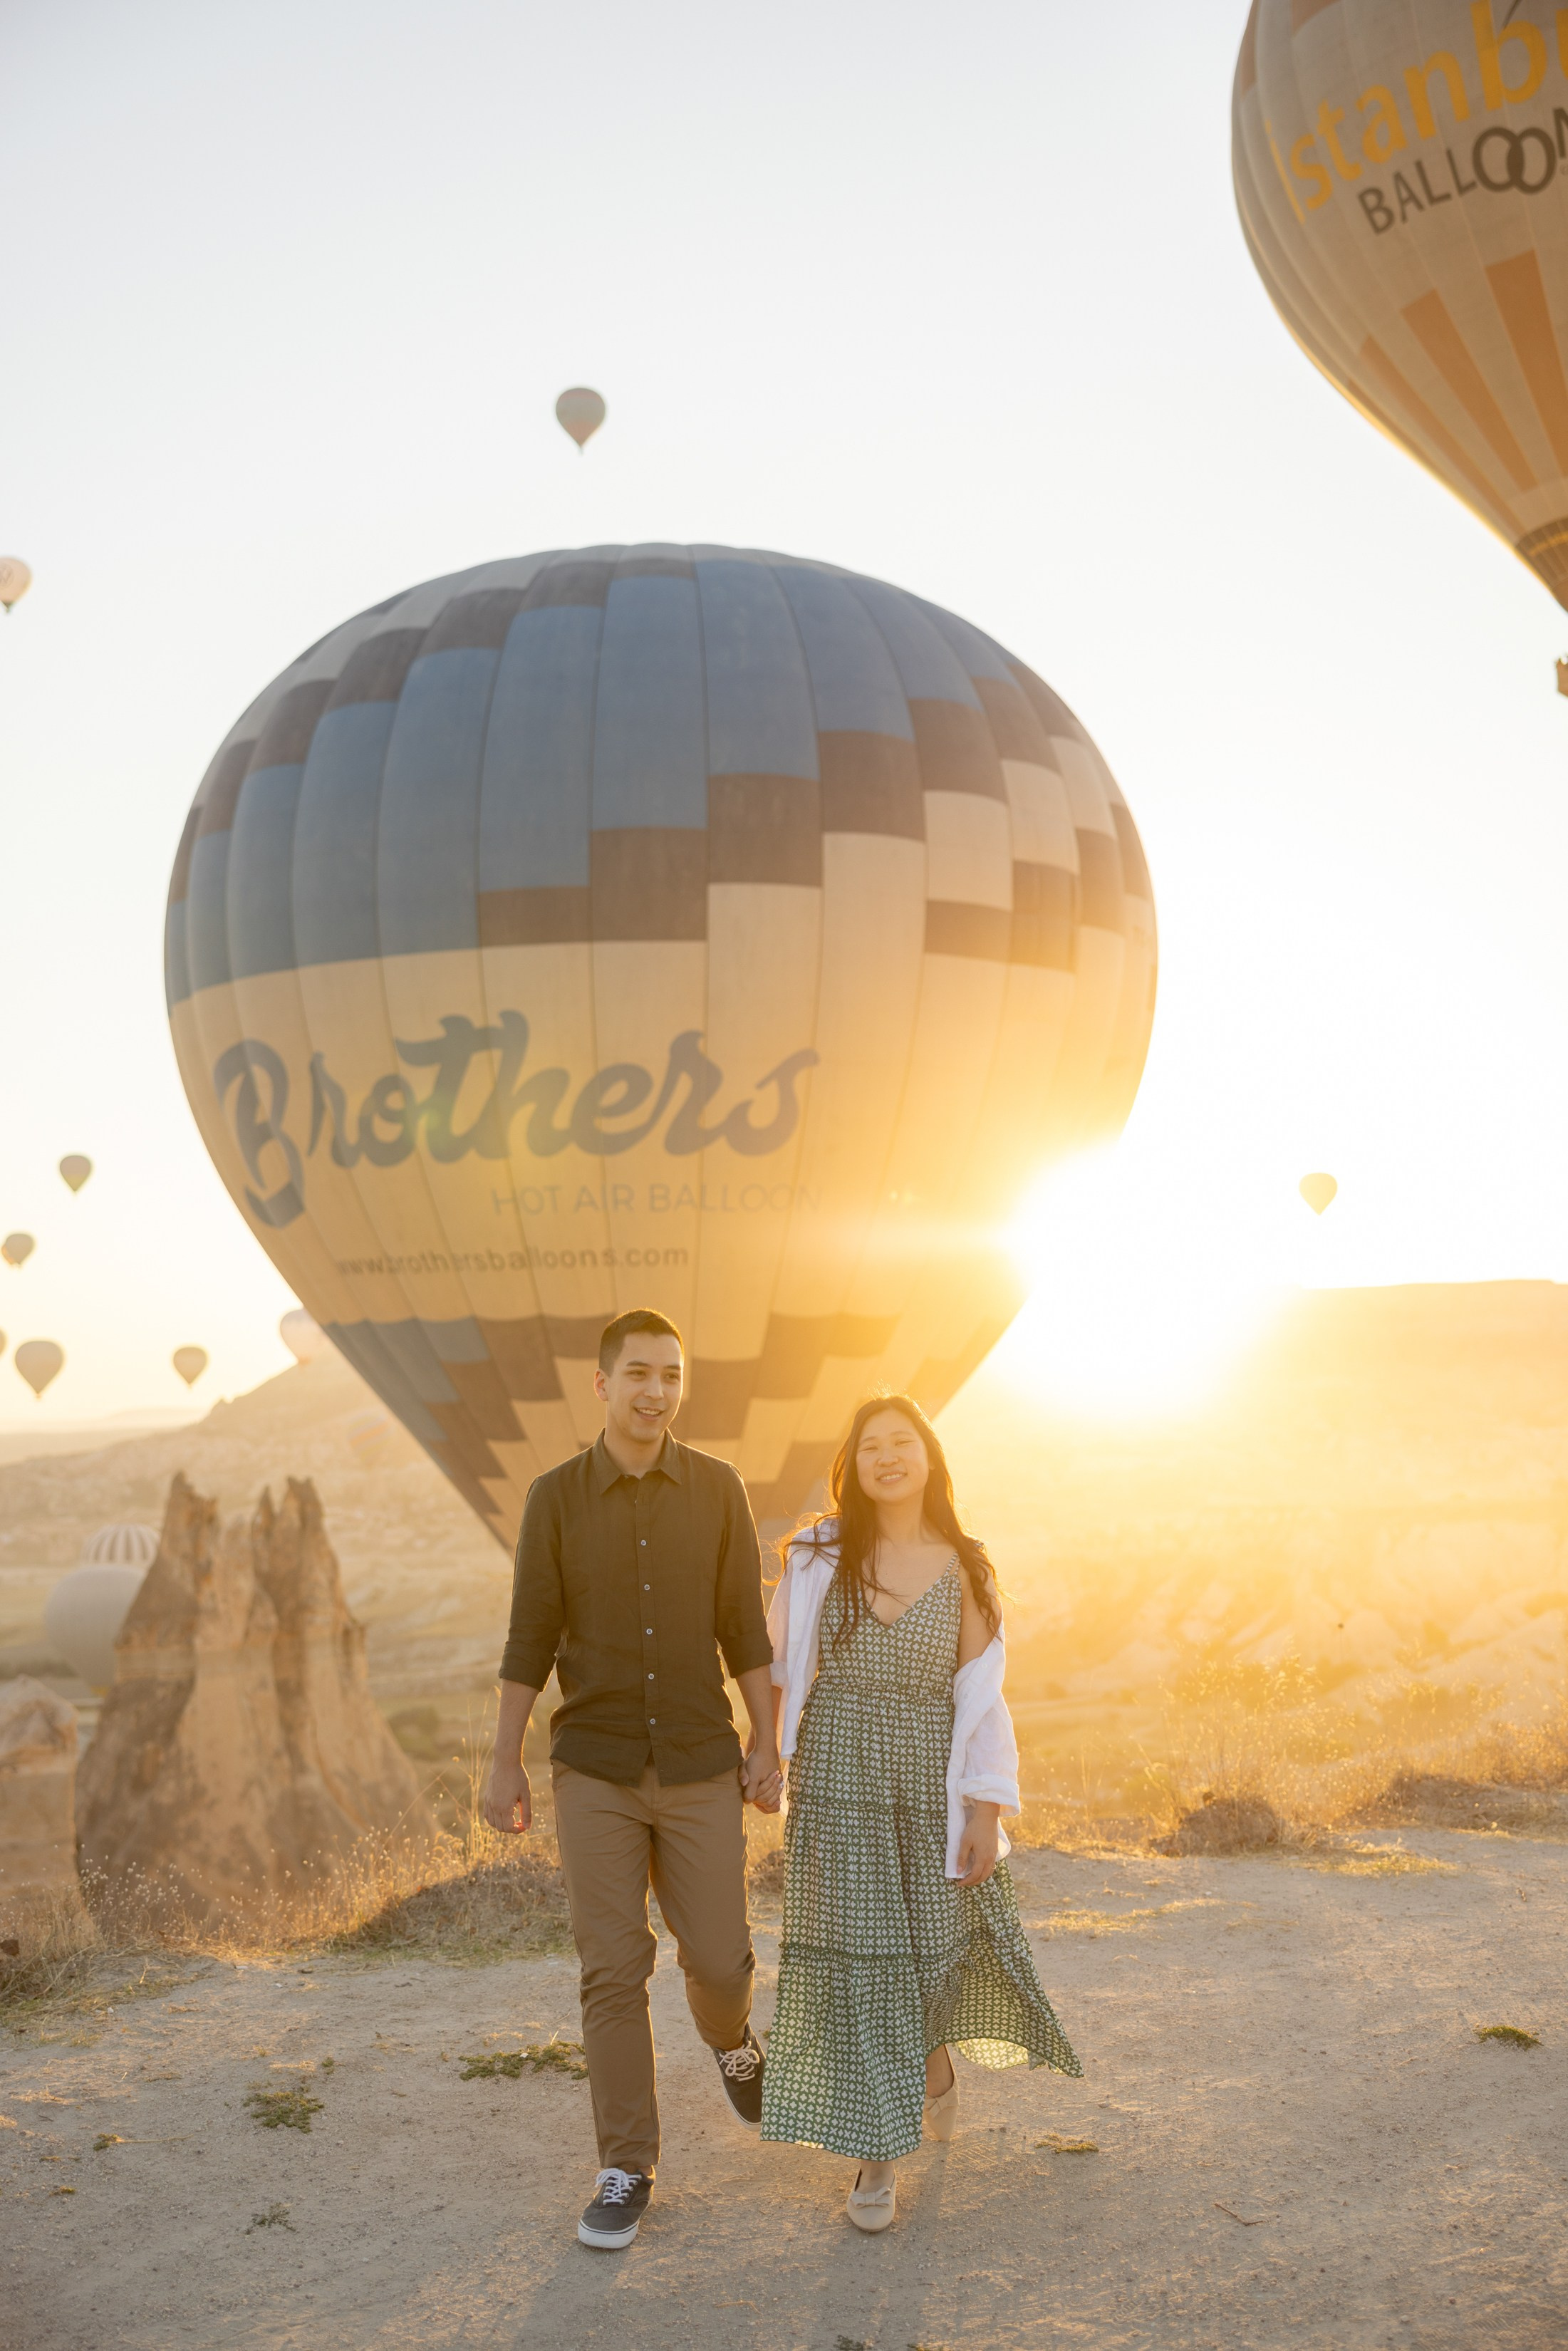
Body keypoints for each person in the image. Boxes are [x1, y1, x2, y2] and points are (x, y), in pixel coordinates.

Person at [483, 1307, 784, 2251]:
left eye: (670, 1375)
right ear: (603, 1384)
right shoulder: (555, 1498)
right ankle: (627, 2164)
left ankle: (733, 2042)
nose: (655, 1390)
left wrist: (768, 1738)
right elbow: (529, 1634)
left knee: (721, 1962)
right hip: (596, 1768)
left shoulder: (719, 1489)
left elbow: (744, 1627)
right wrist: (503, 1758)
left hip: (699, 1760)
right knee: (611, 1967)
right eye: (638, 1373)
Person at [759, 1394, 1081, 2230]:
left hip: (926, 1776)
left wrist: (983, 1810)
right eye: (870, 1446)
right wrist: (757, 1751)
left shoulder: (965, 1564)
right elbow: (774, 1665)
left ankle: (933, 2067)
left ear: (929, 1457)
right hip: (836, 1776)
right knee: (864, 1958)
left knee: (928, 1952)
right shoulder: (817, 1555)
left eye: (902, 1442)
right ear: (852, 1465)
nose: (887, 1456)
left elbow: (980, 1700)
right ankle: (875, 2154)